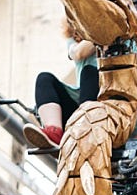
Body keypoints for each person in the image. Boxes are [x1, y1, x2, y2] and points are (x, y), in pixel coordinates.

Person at [24, 19, 98, 149]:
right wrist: (105, 33)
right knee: (44, 79)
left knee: (90, 73)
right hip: (81, 103)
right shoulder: (74, 43)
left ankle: (86, 130)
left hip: (106, 102)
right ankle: (55, 133)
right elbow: (79, 53)